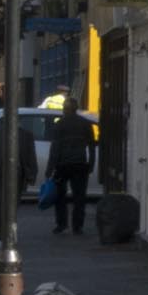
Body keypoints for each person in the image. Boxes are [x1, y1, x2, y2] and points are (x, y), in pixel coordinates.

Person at [47, 101, 98, 236]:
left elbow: (54, 149)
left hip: (62, 165)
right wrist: (91, 164)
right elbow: (92, 147)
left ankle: (61, 224)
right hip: (80, 164)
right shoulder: (85, 124)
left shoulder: (60, 125)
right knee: (79, 198)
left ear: (65, 109)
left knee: (60, 197)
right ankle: (77, 226)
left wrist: (50, 168)